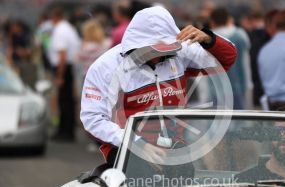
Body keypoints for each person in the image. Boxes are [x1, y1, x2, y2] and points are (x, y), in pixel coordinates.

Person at [81, 6, 237, 164]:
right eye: (151, 50)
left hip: (175, 146)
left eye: (164, 51)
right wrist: (135, 142)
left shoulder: (182, 52)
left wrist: (209, 39)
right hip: (125, 149)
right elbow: (92, 118)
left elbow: (227, 59)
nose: (158, 56)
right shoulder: (104, 67)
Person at [209, 7, 252, 110]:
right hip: (239, 87)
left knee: (220, 123)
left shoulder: (208, 38)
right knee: (240, 122)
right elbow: (246, 62)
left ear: (212, 21)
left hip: (216, 90)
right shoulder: (240, 35)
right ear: (228, 19)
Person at [49, 7, 81, 141]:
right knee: (67, 100)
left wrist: (59, 76)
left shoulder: (60, 30)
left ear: (55, 17)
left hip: (63, 68)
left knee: (64, 101)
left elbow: (62, 54)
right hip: (68, 67)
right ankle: (67, 129)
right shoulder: (68, 28)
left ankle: (65, 132)